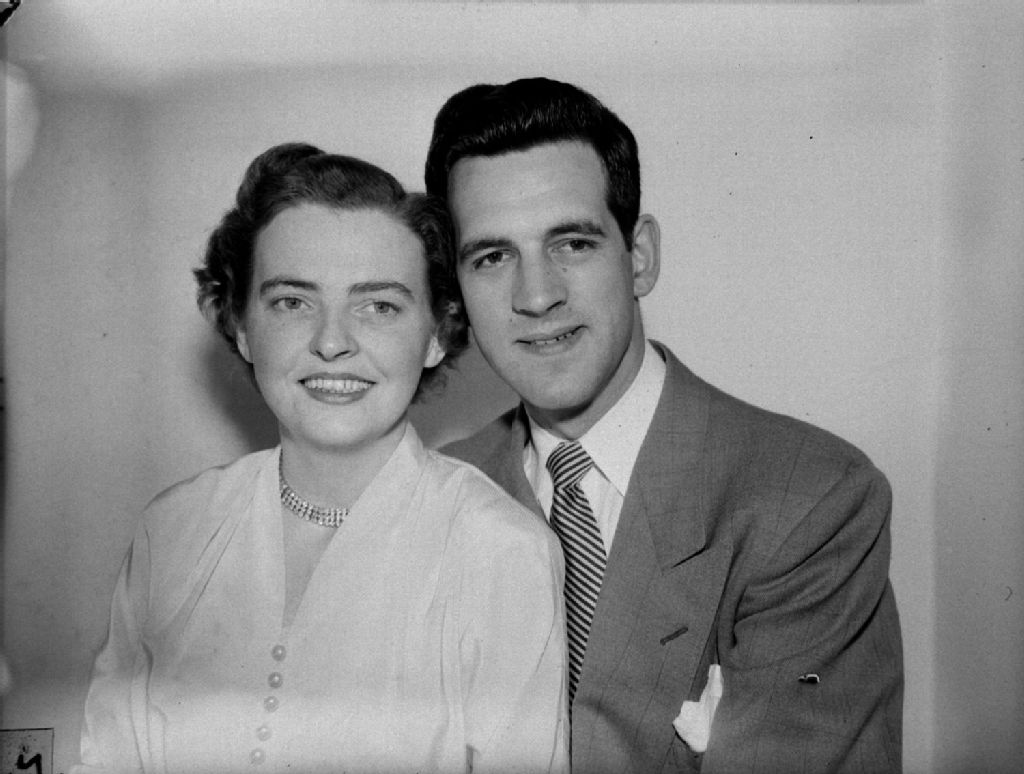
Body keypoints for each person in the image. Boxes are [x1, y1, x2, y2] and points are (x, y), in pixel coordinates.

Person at [425, 78, 903, 773]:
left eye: (573, 243)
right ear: (458, 291)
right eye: (492, 257)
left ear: (640, 256)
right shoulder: (435, 493)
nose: (536, 295)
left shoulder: (812, 499)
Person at [73, 143, 568, 774]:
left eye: (379, 306)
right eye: (293, 302)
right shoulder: (172, 531)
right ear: (242, 325)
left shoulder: (501, 553)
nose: (332, 342)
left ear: (437, 335)